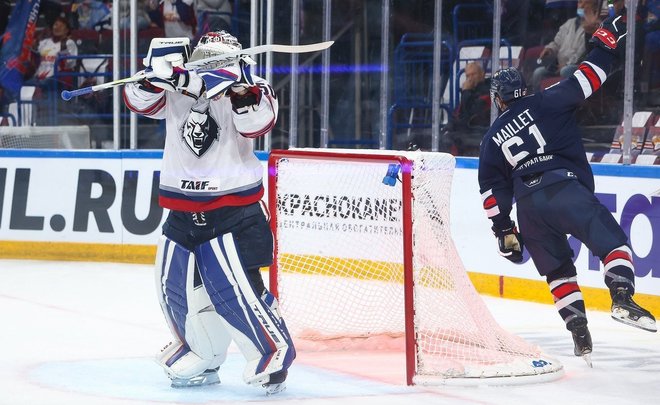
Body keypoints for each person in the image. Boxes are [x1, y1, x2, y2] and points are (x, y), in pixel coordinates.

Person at [478, 11, 657, 366]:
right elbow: (590, 75)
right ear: (524, 89)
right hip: (565, 190)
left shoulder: (490, 139)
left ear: (499, 100)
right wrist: (605, 42)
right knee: (613, 244)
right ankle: (622, 296)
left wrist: (504, 231)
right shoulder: (548, 99)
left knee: (558, 271)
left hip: (529, 209)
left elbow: (491, 193)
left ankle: (578, 329)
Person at [122, 31, 295, 394]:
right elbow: (137, 101)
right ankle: (201, 353)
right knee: (175, 289)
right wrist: (153, 76)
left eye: (215, 59)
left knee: (237, 292)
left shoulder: (253, 87)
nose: (207, 64)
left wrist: (237, 88)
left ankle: (272, 354)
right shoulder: (175, 88)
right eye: (203, 57)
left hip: (233, 213)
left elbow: (257, 123)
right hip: (181, 212)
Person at [532, 0, 600, 91]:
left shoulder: (595, 26)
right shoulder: (569, 23)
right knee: (538, 72)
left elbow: (582, 53)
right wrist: (550, 49)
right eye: (580, 2)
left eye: (586, 3)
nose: (581, 6)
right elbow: (556, 42)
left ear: (593, 7)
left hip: (577, 67)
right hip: (559, 66)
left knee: (566, 70)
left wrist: (566, 65)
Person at [445, 62, 491, 156]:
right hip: (466, 131)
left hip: (478, 132)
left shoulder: (488, 90)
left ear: (482, 74)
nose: (470, 78)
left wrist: (466, 91)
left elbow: (472, 111)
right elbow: (459, 113)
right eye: (467, 76)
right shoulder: (471, 91)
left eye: (473, 74)